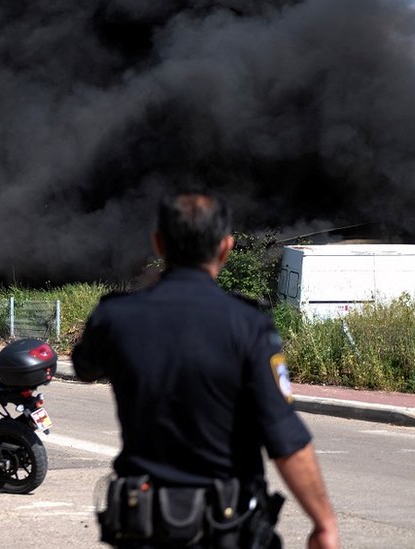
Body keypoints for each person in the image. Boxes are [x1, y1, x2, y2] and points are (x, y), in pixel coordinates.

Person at [72, 191, 339, 549]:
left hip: (143, 527)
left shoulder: (115, 316)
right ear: (226, 247)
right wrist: (323, 522)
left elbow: (85, 366)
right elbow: (284, 436)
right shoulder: (248, 324)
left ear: (158, 244)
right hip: (225, 529)